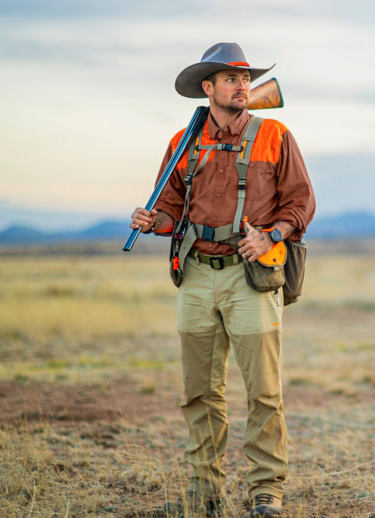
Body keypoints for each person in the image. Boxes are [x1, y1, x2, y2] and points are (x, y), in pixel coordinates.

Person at [130, 42, 315, 517]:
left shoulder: (274, 134)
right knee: (199, 392)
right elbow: (172, 211)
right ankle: (203, 491)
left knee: (264, 393)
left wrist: (269, 235)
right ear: (207, 88)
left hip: (249, 277)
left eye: (246, 78)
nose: (242, 86)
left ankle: (265, 491)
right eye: (231, 79)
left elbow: (301, 205)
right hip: (195, 275)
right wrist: (153, 221)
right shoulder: (183, 142)